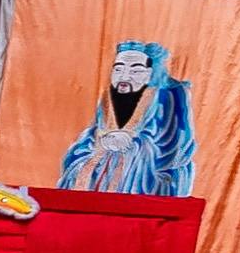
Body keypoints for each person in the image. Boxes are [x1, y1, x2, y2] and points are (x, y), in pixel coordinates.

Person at [57, 40, 196, 198]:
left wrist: (132, 143)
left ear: (150, 73)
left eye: (135, 71)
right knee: (78, 166)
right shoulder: (108, 97)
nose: (124, 76)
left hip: (143, 168)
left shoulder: (170, 95)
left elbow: (173, 145)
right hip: (104, 161)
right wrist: (101, 142)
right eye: (118, 69)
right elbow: (93, 134)